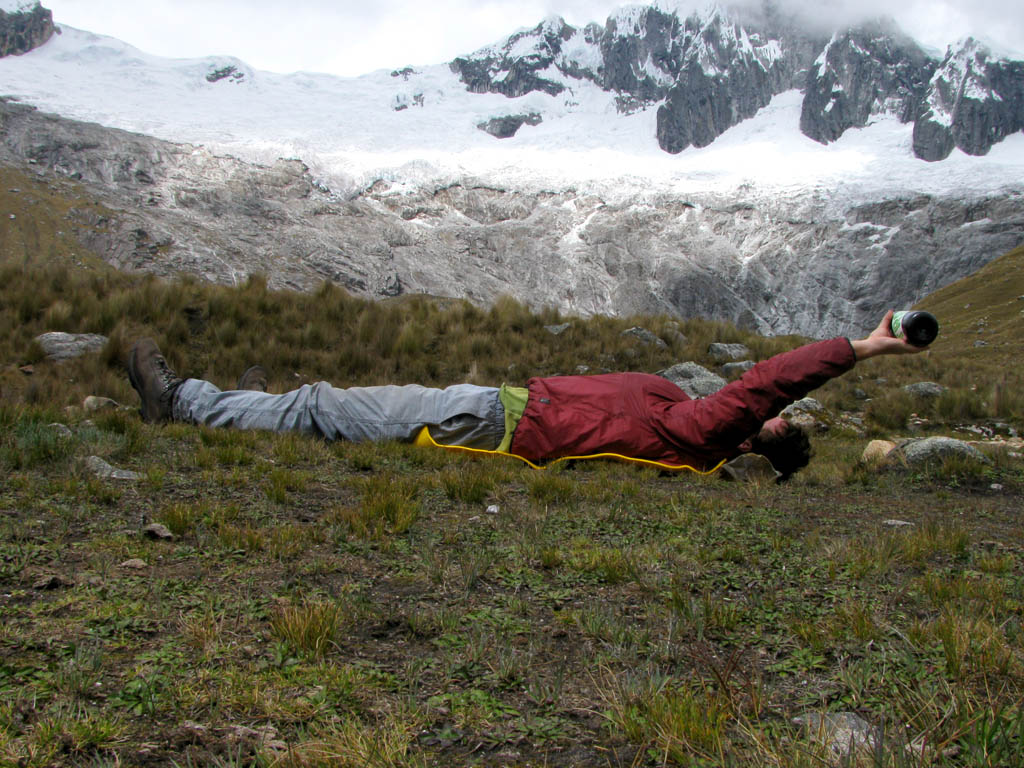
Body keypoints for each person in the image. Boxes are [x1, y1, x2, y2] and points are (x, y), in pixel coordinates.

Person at [126, 311, 927, 480]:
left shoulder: (707, 432)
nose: (766, 406)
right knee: (325, 406)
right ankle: (257, 410)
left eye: (775, 418)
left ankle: (185, 402)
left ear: (759, 435)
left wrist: (857, 347)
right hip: (498, 403)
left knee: (324, 406)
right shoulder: (692, 426)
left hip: (490, 420)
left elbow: (762, 383)